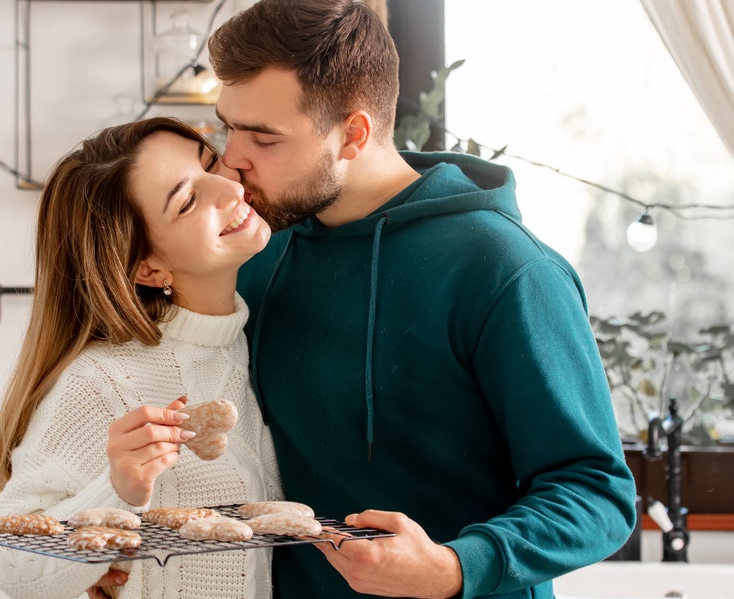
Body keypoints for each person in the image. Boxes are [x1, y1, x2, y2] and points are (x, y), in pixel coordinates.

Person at [205, 1, 638, 598]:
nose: (232, 156)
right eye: (229, 125)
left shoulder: (506, 269)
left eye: (263, 137)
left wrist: (453, 568)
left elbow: (597, 492)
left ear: (353, 133)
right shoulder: (261, 252)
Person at [0, 116, 282, 599]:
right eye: (187, 201)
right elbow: (11, 564)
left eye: (211, 161)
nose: (229, 191)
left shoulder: (251, 341)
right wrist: (117, 492)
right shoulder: (103, 380)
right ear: (148, 267)